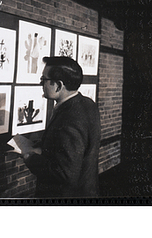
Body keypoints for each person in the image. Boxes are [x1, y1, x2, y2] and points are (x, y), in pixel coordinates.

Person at [23, 56, 101, 198]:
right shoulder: (87, 104)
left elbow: (64, 173)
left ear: (58, 85)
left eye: (43, 79)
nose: (41, 83)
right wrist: (43, 146)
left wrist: (29, 157)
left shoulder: (70, 118)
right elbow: (76, 149)